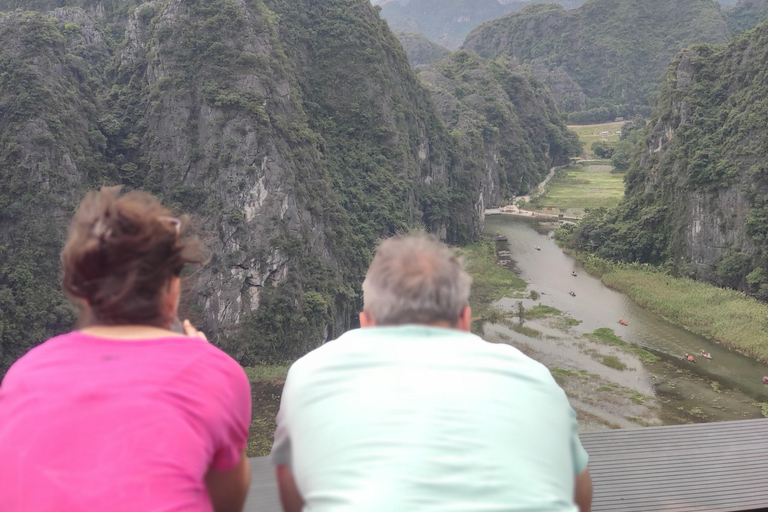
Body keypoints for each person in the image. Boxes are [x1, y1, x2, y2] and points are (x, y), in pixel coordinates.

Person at [271, 232, 592, 512]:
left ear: (365, 323)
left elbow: (294, 495)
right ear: (465, 320)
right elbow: (578, 498)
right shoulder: (535, 375)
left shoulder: (308, 374)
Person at [0, 187, 252, 512]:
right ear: (172, 289)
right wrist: (204, 363)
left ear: (79, 290)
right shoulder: (217, 373)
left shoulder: (22, 374)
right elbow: (226, 503)